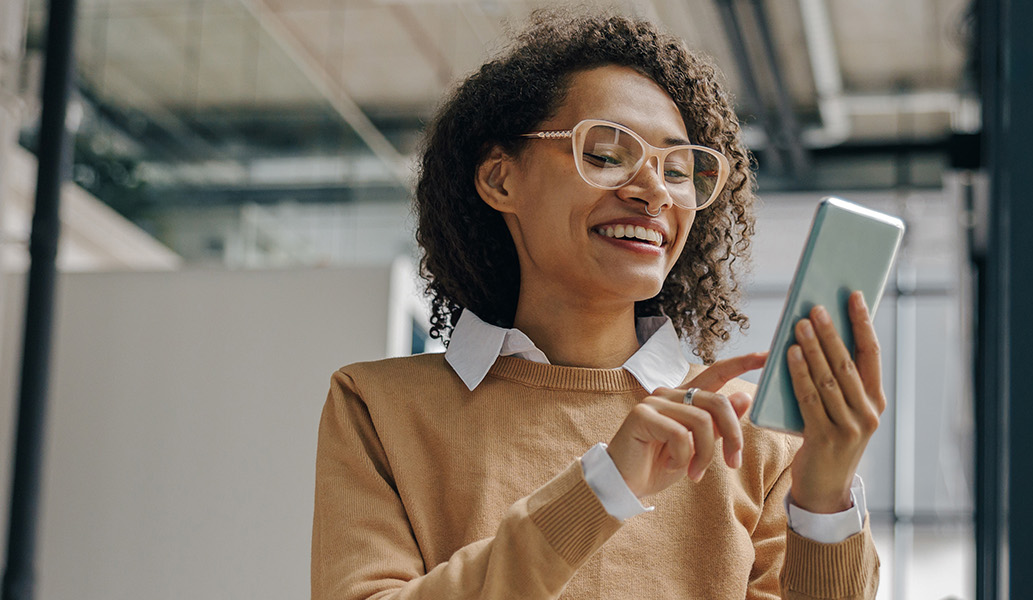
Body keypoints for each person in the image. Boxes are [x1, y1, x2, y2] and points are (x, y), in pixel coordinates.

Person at [311, 13, 885, 600]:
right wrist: (602, 489)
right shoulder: (379, 408)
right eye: (608, 155)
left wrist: (824, 503)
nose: (654, 191)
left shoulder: (755, 444)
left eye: (679, 170)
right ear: (499, 178)